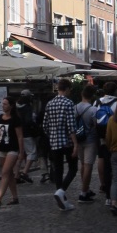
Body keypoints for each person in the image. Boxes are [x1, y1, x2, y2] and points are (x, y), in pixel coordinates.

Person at [42, 77, 78, 211]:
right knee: (73, 168)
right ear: (67, 89)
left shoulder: (50, 104)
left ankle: (62, 199)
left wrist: (52, 135)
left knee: (58, 170)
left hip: (54, 142)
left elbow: (45, 125)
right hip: (67, 142)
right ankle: (61, 191)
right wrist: (75, 144)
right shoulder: (68, 103)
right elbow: (71, 126)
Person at [0, 97, 23, 206]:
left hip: (12, 149)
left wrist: (21, 152)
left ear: (11, 106)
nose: (3, 106)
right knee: (9, 174)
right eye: (3, 104)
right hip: (2, 148)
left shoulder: (15, 119)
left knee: (5, 172)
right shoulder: (1, 117)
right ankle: (15, 197)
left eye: (5, 104)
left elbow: (20, 137)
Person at [94, 81, 117, 205]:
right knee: (113, 163)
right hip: (114, 136)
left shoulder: (97, 102)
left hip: (100, 135)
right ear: (115, 91)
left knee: (101, 158)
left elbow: (94, 118)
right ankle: (115, 188)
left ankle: (103, 183)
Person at [74, 83, 98, 202]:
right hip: (90, 139)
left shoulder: (75, 108)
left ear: (81, 94)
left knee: (83, 164)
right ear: (92, 96)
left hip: (78, 139)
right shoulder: (93, 110)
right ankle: (83, 193)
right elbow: (96, 125)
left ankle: (86, 188)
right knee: (88, 165)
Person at [14, 90, 38, 183]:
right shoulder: (27, 107)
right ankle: (25, 172)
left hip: (16, 133)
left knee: (20, 154)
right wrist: (34, 126)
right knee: (32, 152)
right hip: (26, 133)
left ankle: (16, 175)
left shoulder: (15, 106)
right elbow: (29, 121)